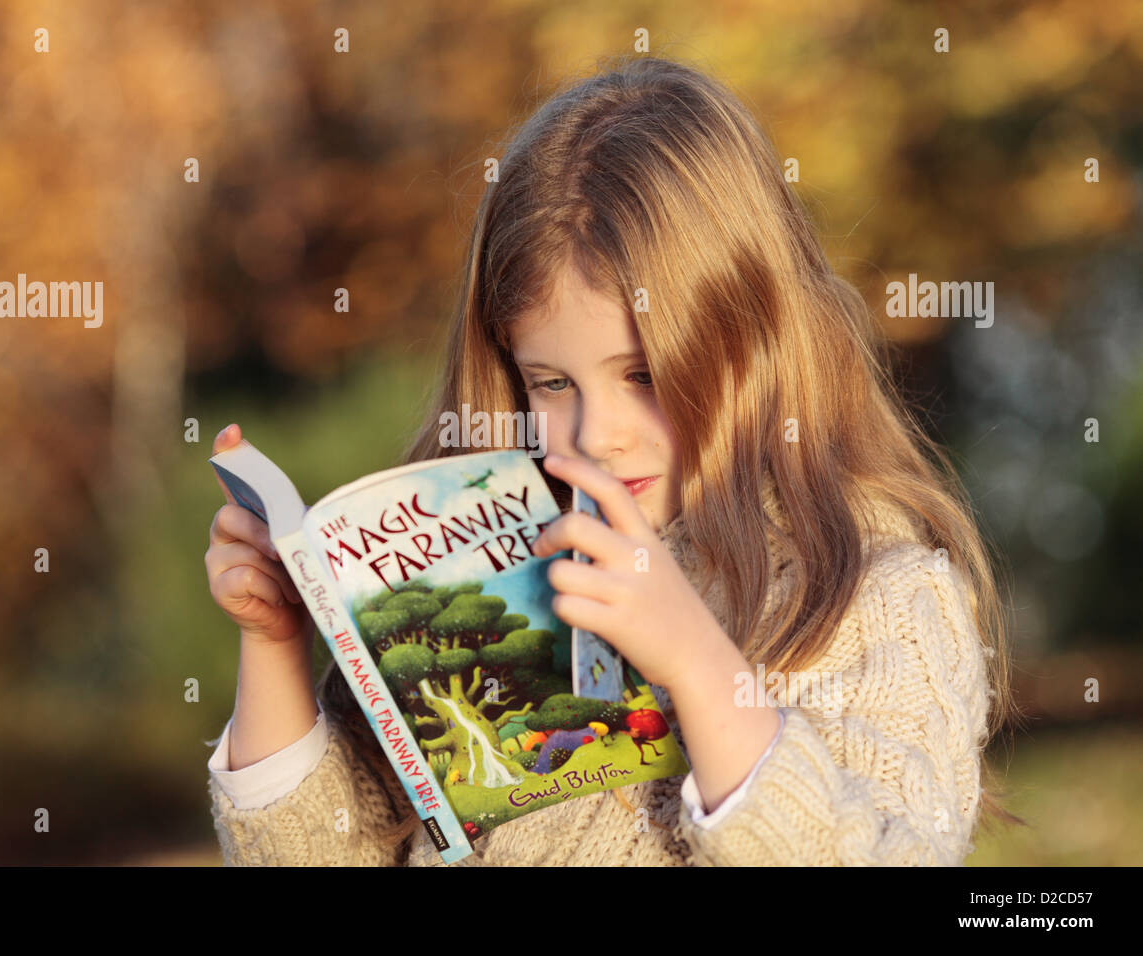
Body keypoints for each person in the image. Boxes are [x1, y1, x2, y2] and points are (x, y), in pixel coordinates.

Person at [202, 55, 1024, 866]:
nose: (597, 435)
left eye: (643, 375)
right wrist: (274, 643)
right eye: (551, 383)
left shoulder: (877, 598)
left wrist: (700, 668)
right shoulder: (492, 575)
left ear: (760, 342)